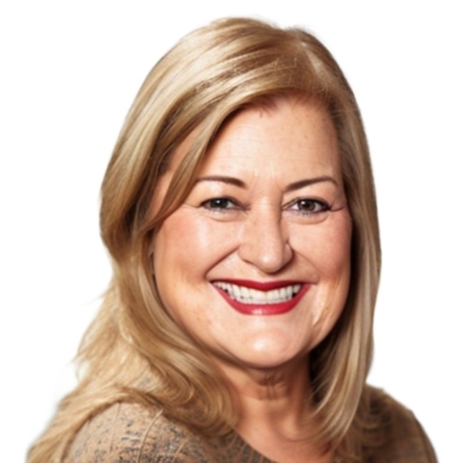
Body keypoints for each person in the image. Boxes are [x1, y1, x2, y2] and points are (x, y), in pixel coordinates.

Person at [28, 17, 436, 463]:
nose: (269, 253)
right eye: (221, 202)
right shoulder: (136, 452)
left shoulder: (396, 435)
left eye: (307, 204)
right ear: (142, 226)